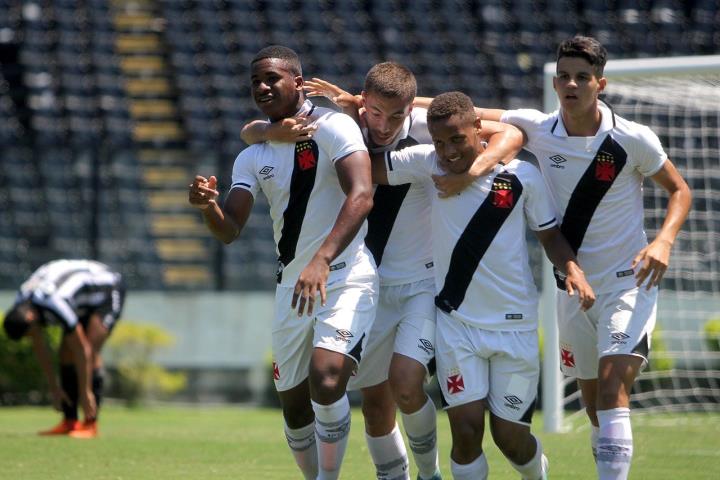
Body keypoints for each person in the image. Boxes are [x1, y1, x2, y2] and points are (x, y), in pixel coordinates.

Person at [243, 62, 520, 480]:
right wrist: (266, 132)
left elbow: (511, 131)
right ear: (363, 103)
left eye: (396, 115)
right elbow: (252, 132)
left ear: (411, 109)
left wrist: (474, 172)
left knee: (407, 387)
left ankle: (430, 475)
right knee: (376, 403)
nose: (384, 124)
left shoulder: (431, 131)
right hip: (366, 282)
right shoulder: (344, 126)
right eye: (374, 111)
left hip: (423, 285)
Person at [432, 36, 692, 480]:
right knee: (594, 406)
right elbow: (460, 114)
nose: (572, 84)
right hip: (573, 288)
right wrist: (373, 101)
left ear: (601, 83)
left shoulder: (632, 138)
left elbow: (680, 191)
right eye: (564, 76)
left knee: (612, 390)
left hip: (629, 280)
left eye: (582, 77)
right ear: (555, 83)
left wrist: (663, 241)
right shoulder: (537, 128)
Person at [372, 91, 595, 480]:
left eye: (457, 139)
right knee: (467, 431)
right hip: (458, 325)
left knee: (509, 437)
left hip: (515, 326)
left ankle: (536, 473)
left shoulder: (522, 176)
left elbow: (550, 235)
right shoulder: (427, 164)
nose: (448, 151)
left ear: (479, 128)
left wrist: (572, 269)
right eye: (439, 142)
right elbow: (364, 166)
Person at [189, 45, 377, 480]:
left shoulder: (334, 127)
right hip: (292, 288)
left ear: (298, 81)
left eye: (271, 78)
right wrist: (207, 207)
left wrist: (322, 260)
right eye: (255, 80)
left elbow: (362, 195)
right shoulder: (253, 155)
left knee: (327, 382)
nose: (261, 86)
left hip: (345, 276)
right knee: (293, 407)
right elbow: (230, 228)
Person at [2, 259, 125, 438]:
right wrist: (54, 387)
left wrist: (85, 392)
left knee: (90, 348)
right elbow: (40, 346)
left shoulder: (54, 302)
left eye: (30, 333)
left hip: (107, 289)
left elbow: (82, 350)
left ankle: (90, 424)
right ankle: (70, 421)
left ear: (30, 318)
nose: (33, 337)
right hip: (80, 298)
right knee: (66, 355)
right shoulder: (22, 303)